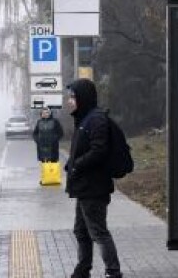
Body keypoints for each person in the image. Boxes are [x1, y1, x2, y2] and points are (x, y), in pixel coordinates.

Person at [65, 78, 122, 278]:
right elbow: (81, 149)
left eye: (72, 97)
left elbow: (99, 150)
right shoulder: (84, 118)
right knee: (81, 231)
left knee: (98, 232)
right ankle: (83, 269)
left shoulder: (96, 119)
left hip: (94, 187)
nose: (69, 101)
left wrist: (77, 164)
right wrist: (70, 164)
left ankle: (113, 272)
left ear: (83, 97)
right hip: (84, 187)